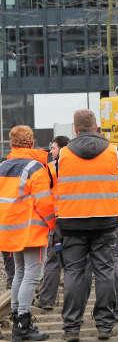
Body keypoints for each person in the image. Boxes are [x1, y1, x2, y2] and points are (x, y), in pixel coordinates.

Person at [54, 110, 118, 341]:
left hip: (72, 223)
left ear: (75, 129)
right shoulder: (112, 151)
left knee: (73, 273)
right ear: (96, 126)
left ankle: (71, 328)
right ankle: (104, 326)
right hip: (105, 221)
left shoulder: (63, 154)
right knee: (105, 272)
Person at [0, 125, 55, 341]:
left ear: (12, 143)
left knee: (19, 274)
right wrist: (52, 224)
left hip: (10, 230)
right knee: (32, 275)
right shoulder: (35, 168)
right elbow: (44, 203)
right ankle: (23, 323)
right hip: (31, 230)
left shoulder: (3, 166)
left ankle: (17, 320)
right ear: (31, 142)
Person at [35, 136, 70, 310]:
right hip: (74, 219)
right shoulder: (78, 167)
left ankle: (47, 300)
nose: (51, 151)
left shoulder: (49, 169)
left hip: (56, 222)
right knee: (75, 262)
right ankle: (73, 302)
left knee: (53, 260)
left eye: (54, 148)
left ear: (62, 149)